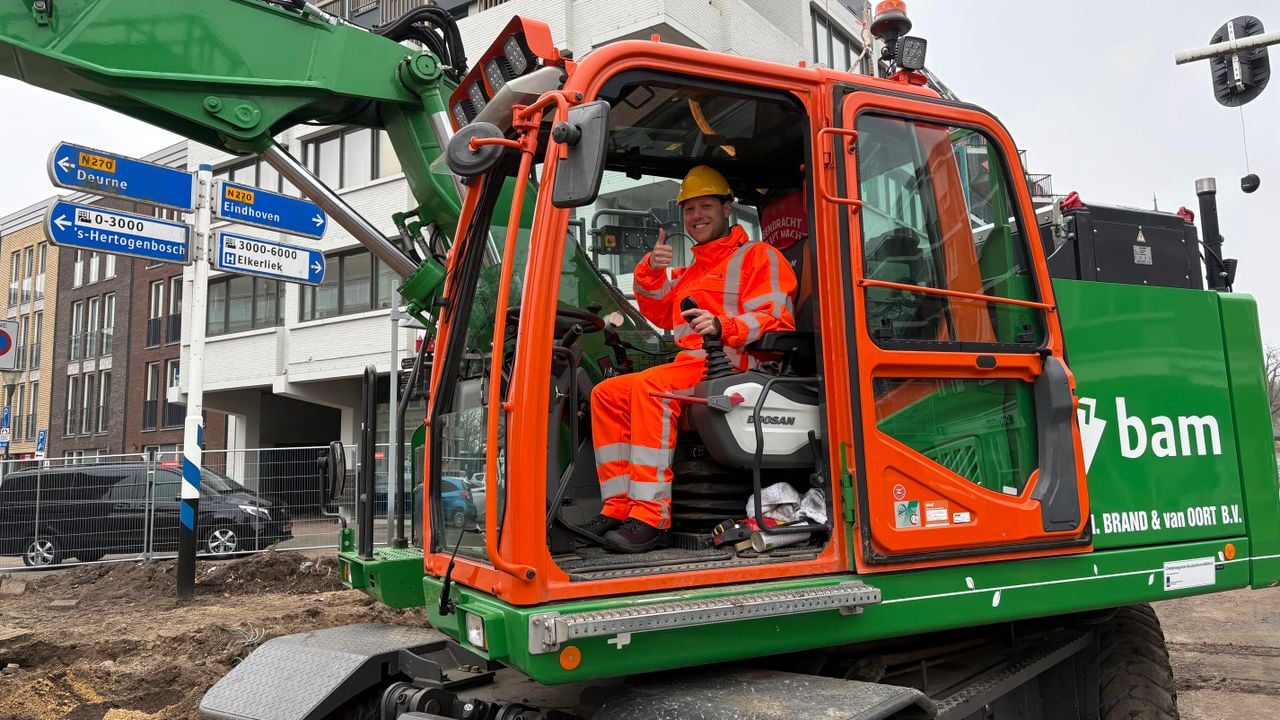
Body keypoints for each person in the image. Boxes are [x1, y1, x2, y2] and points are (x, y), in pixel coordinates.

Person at [583, 166, 798, 553]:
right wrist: (650, 270)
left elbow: (775, 317)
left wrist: (723, 325)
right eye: (690, 209)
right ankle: (618, 506)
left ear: (727, 208)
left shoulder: (760, 256)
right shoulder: (695, 269)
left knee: (652, 390)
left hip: (736, 364)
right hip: (693, 365)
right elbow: (661, 311)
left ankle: (650, 517)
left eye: (706, 207)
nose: (697, 216)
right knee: (607, 394)